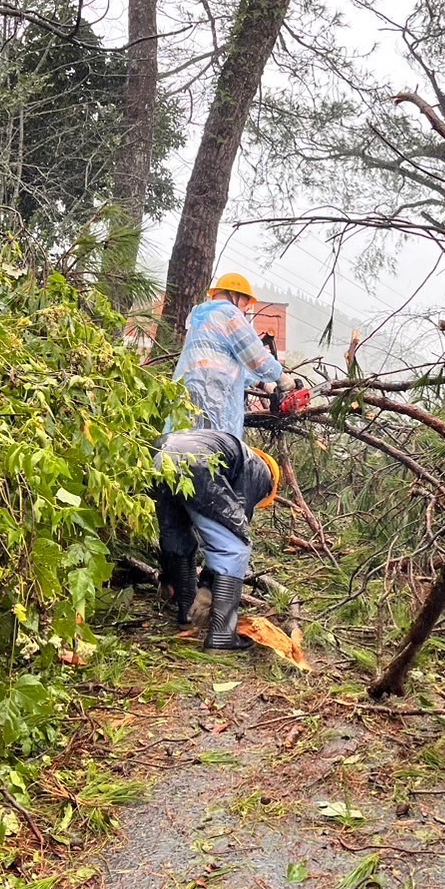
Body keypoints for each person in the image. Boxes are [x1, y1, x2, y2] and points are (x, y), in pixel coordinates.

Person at [154, 428, 280, 651]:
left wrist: (172, 578)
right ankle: (222, 635)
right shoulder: (260, 470)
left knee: (178, 536)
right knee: (234, 546)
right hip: (194, 460)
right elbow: (233, 525)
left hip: (159, 456)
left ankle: (186, 614)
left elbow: (180, 536)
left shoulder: (229, 454)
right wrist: (208, 587)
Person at [173, 272, 290, 437]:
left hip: (187, 388)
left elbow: (227, 365)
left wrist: (264, 385)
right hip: (214, 391)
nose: (247, 308)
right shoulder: (229, 314)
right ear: (233, 294)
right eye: (246, 301)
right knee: (217, 443)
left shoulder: (200, 318)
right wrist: (282, 378)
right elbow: (255, 355)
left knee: (190, 440)